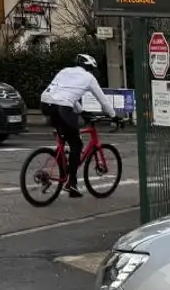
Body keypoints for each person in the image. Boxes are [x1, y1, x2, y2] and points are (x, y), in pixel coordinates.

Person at [40, 53, 115, 197]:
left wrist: (81, 111)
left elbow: (66, 94)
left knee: (66, 133)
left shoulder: (65, 71)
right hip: (62, 108)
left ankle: (61, 167)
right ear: (90, 67)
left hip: (45, 104)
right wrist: (113, 116)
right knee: (76, 144)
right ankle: (72, 185)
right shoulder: (89, 78)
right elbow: (103, 100)